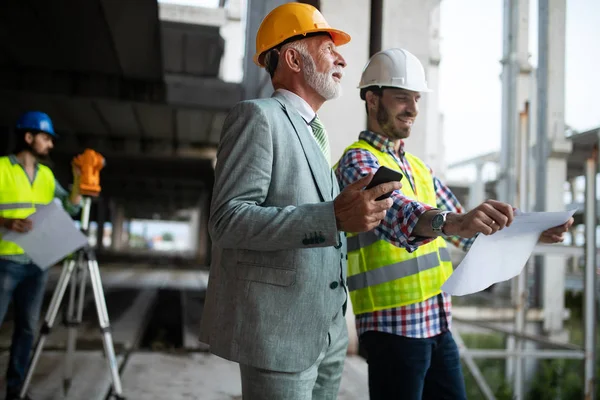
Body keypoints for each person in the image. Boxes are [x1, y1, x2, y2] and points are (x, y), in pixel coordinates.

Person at [335, 48, 574, 400]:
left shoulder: (419, 167)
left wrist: (533, 232)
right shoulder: (357, 159)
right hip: (392, 328)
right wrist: (456, 223)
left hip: (437, 322)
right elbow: (398, 213)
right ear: (372, 100)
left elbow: (470, 232)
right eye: (403, 98)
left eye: (416, 99)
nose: (414, 109)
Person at [198, 3, 401, 399]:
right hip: (278, 333)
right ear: (292, 57)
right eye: (328, 48)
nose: (341, 58)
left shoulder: (314, 133)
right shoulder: (257, 117)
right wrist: (332, 217)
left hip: (326, 332)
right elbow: (227, 220)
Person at [0, 111, 82, 400]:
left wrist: (78, 179)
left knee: (26, 330)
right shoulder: (1, 169)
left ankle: (15, 390)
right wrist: (5, 222)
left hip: (37, 263)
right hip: (6, 260)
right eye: (46, 138)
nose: (50, 144)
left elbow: (71, 208)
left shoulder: (47, 175)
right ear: (28, 137)